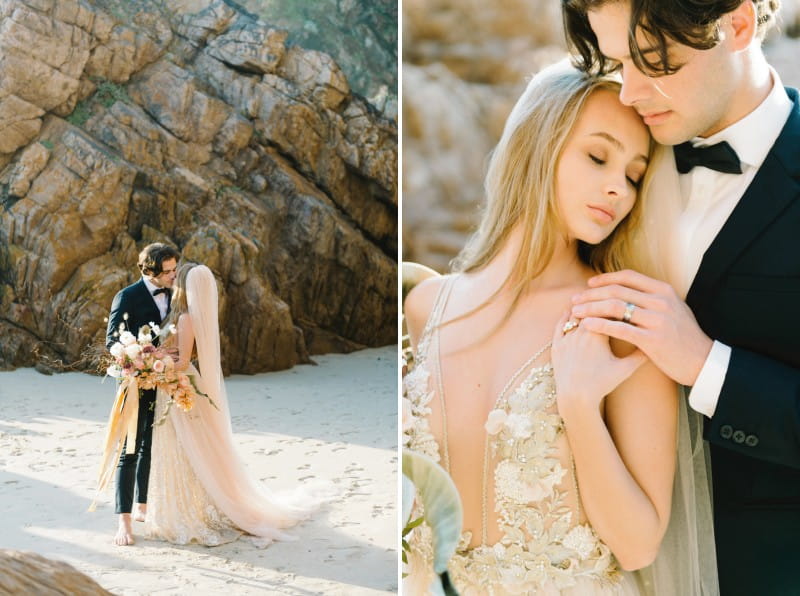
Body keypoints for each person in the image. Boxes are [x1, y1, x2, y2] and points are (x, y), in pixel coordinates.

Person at [403, 64, 714, 594]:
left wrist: (579, 407)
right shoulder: (427, 306)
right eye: (598, 156)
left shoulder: (619, 319)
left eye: (634, 175)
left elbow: (639, 544)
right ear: (537, 145)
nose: (618, 188)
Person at [562, 1, 800, 593]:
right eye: (619, 63)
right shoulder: (611, 153)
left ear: (738, 24)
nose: (630, 94)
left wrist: (705, 364)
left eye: (656, 63)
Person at [144, 262, 324, 546]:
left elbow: (182, 361)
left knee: (186, 449)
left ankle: (187, 512)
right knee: (185, 449)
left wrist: (155, 365)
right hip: (178, 384)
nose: (174, 280)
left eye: (179, 278)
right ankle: (183, 508)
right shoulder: (186, 316)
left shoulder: (186, 318)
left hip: (178, 383)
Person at [105, 242, 179, 546]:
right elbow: (111, 339)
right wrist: (130, 357)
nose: (174, 275)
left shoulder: (175, 293)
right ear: (150, 271)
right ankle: (123, 523)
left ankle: (143, 506)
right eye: (168, 271)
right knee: (130, 449)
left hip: (164, 380)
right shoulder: (127, 296)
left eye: (175, 269)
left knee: (152, 445)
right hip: (135, 382)